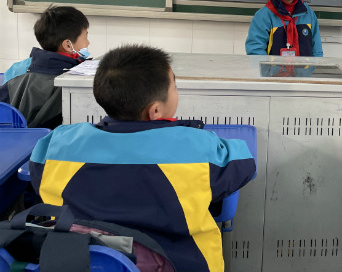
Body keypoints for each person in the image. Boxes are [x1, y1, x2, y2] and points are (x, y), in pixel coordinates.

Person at [29, 45, 256, 272]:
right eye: (175, 87)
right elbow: (245, 163)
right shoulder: (197, 146)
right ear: (155, 110)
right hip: (181, 263)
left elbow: (38, 174)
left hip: (82, 263)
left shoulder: (58, 144)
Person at [0, 5, 90, 128]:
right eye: (85, 37)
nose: (88, 42)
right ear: (68, 45)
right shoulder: (71, 83)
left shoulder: (18, 69)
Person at [245, 0, 323, 57]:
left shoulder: (308, 13)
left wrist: (315, 65)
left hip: (305, 67)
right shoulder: (264, 15)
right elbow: (255, 50)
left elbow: (317, 49)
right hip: (272, 67)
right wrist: (268, 67)